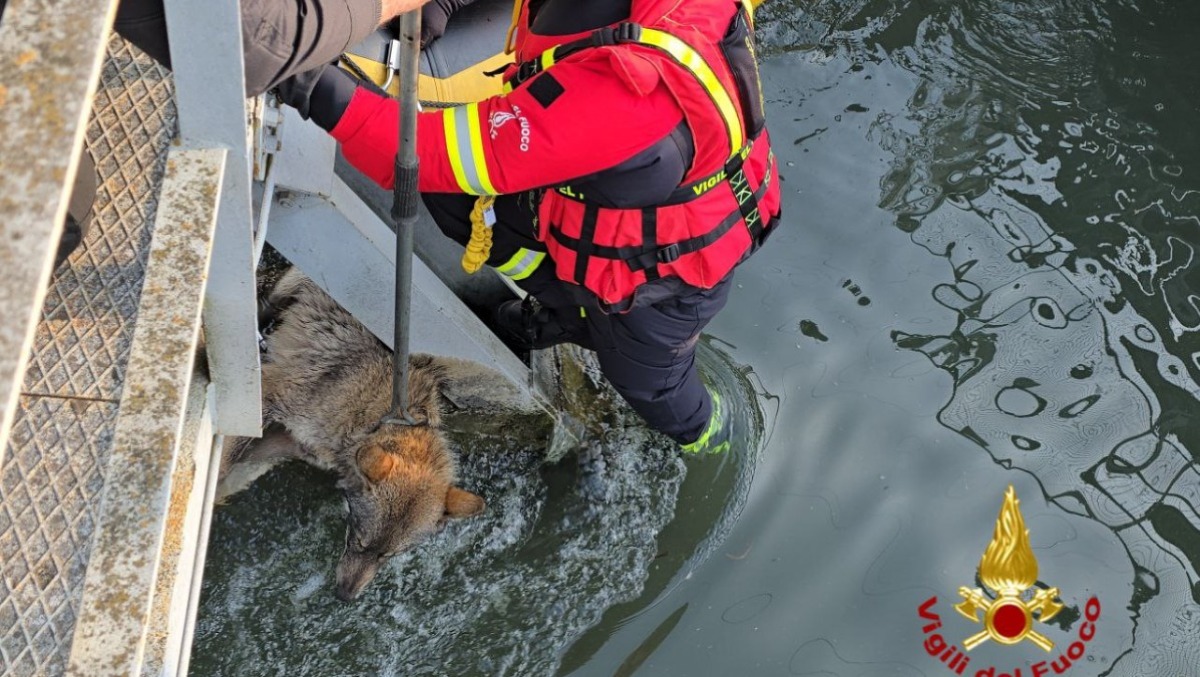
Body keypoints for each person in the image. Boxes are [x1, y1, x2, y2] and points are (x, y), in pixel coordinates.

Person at [282, 0, 781, 454]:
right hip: (593, 210)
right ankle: (569, 315)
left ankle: (704, 435)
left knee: (648, 383)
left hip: (666, 285)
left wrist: (300, 77)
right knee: (468, 211)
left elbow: (425, 155)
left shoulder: (624, 98)